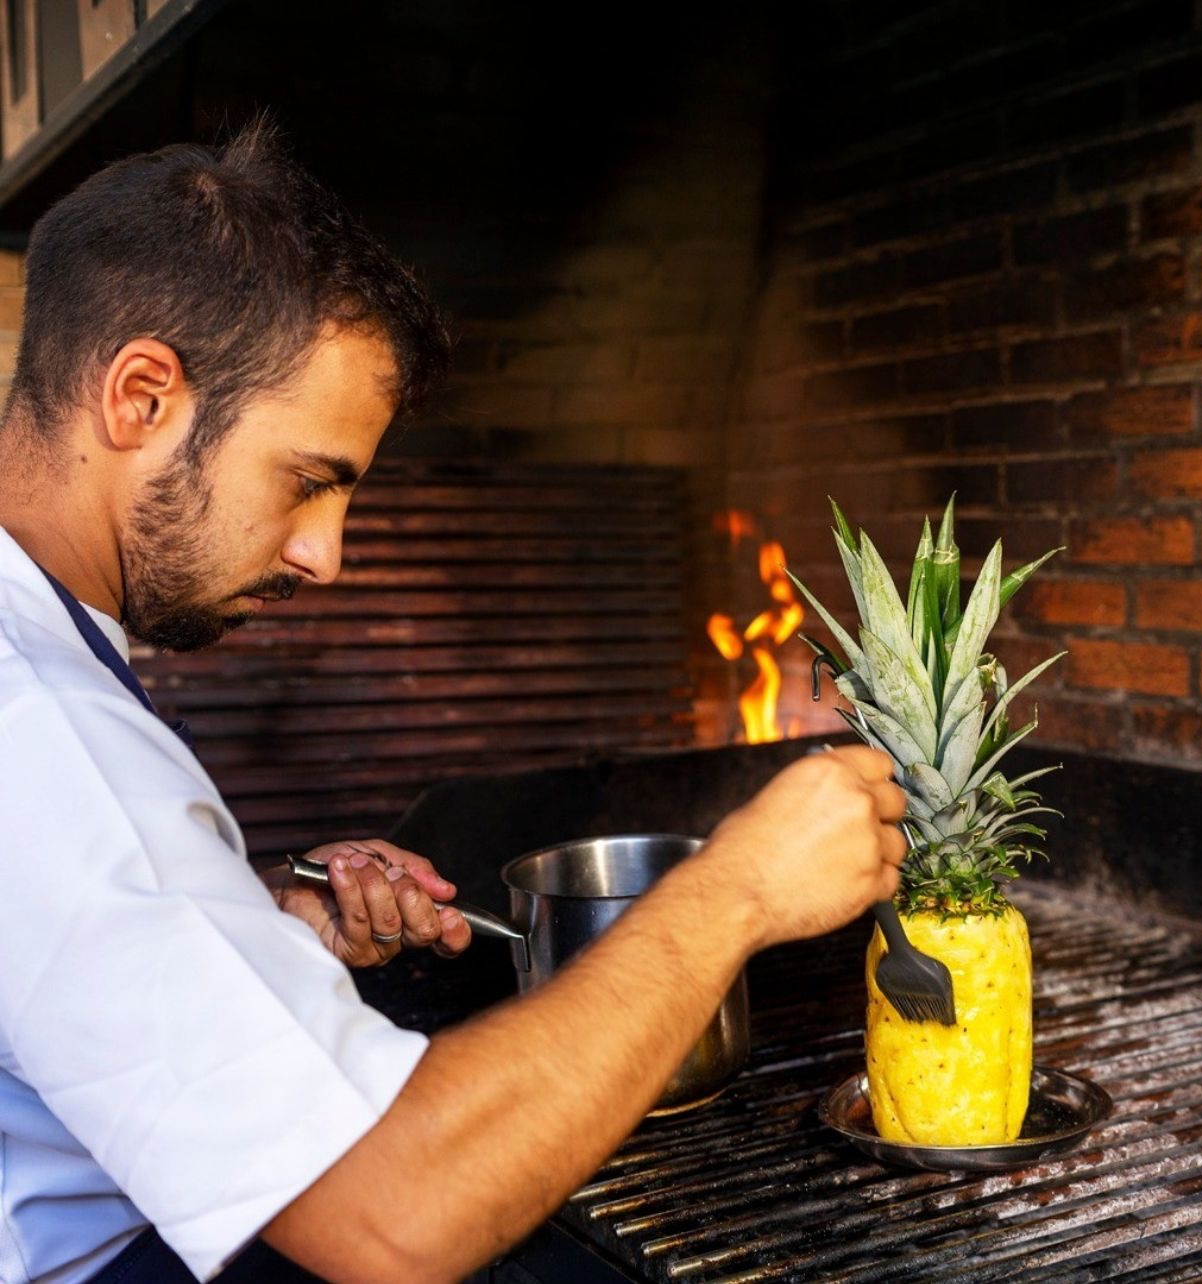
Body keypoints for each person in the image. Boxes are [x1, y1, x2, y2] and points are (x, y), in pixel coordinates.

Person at [0, 124, 907, 1284]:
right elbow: (392, 1219)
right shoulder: (48, 732)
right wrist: (736, 888)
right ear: (140, 398)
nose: (327, 556)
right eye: (309, 480)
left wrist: (256, 923)